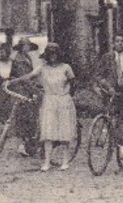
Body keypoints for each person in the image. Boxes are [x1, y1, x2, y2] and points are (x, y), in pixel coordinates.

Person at [10, 41, 77, 172]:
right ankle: (46, 162)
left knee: (64, 132)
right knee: (48, 131)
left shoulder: (66, 67)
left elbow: (73, 83)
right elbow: (29, 76)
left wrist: (69, 96)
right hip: (49, 101)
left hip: (63, 101)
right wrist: (14, 81)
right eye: (50, 54)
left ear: (59, 55)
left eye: (55, 54)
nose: (53, 57)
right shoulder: (42, 68)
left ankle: (65, 160)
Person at [93, 34, 123, 175]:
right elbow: (98, 76)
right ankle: (120, 161)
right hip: (111, 96)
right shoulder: (106, 58)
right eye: (117, 41)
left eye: (122, 41)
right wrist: (107, 86)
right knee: (114, 126)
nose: (119, 43)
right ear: (113, 43)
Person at [11, 36, 40, 157]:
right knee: (22, 118)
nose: (27, 48)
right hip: (21, 91)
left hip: (27, 90)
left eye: (28, 46)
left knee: (29, 118)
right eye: (26, 46)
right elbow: (24, 79)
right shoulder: (19, 60)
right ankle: (22, 145)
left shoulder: (26, 58)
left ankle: (29, 145)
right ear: (21, 47)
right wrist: (36, 90)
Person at [0, 43, 14, 124]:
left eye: (3, 52)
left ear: (7, 52)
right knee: (0, 106)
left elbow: (16, 75)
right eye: (0, 52)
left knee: (10, 108)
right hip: (0, 88)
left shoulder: (13, 63)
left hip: (11, 89)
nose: (1, 54)